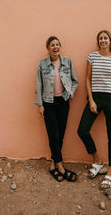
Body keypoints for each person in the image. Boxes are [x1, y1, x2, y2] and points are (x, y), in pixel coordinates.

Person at [77, 30, 111, 189]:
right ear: (98, 41)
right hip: (95, 97)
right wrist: (91, 100)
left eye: (105, 38)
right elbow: (87, 79)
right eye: (100, 38)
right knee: (82, 130)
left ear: (110, 40)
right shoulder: (92, 57)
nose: (103, 40)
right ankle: (97, 160)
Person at [36, 36, 78, 182]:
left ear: (60, 46)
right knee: (53, 134)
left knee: (60, 134)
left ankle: (53, 164)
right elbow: (39, 85)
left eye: (57, 44)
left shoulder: (67, 62)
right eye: (52, 45)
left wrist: (70, 93)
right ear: (48, 48)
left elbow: (75, 81)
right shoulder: (42, 64)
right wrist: (40, 104)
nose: (55, 47)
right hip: (48, 102)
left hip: (63, 102)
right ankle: (60, 166)